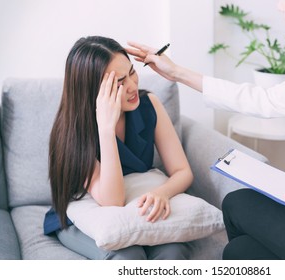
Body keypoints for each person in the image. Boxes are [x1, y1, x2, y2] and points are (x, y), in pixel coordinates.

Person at [126, 0, 285, 259]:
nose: (279, 6)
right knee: (238, 250)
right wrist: (177, 73)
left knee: (237, 207)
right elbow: (262, 99)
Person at [44, 36, 193, 260]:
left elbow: (183, 171)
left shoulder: (148, 104)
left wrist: (161, 193)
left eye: (132, 72)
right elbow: (111, 200)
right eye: (119, 82)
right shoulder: (74, 130)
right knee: (128, 257)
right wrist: (106, 129)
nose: (133, 86)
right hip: (84, 211)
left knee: (173, 251)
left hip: (137, 203)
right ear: (93, 91)